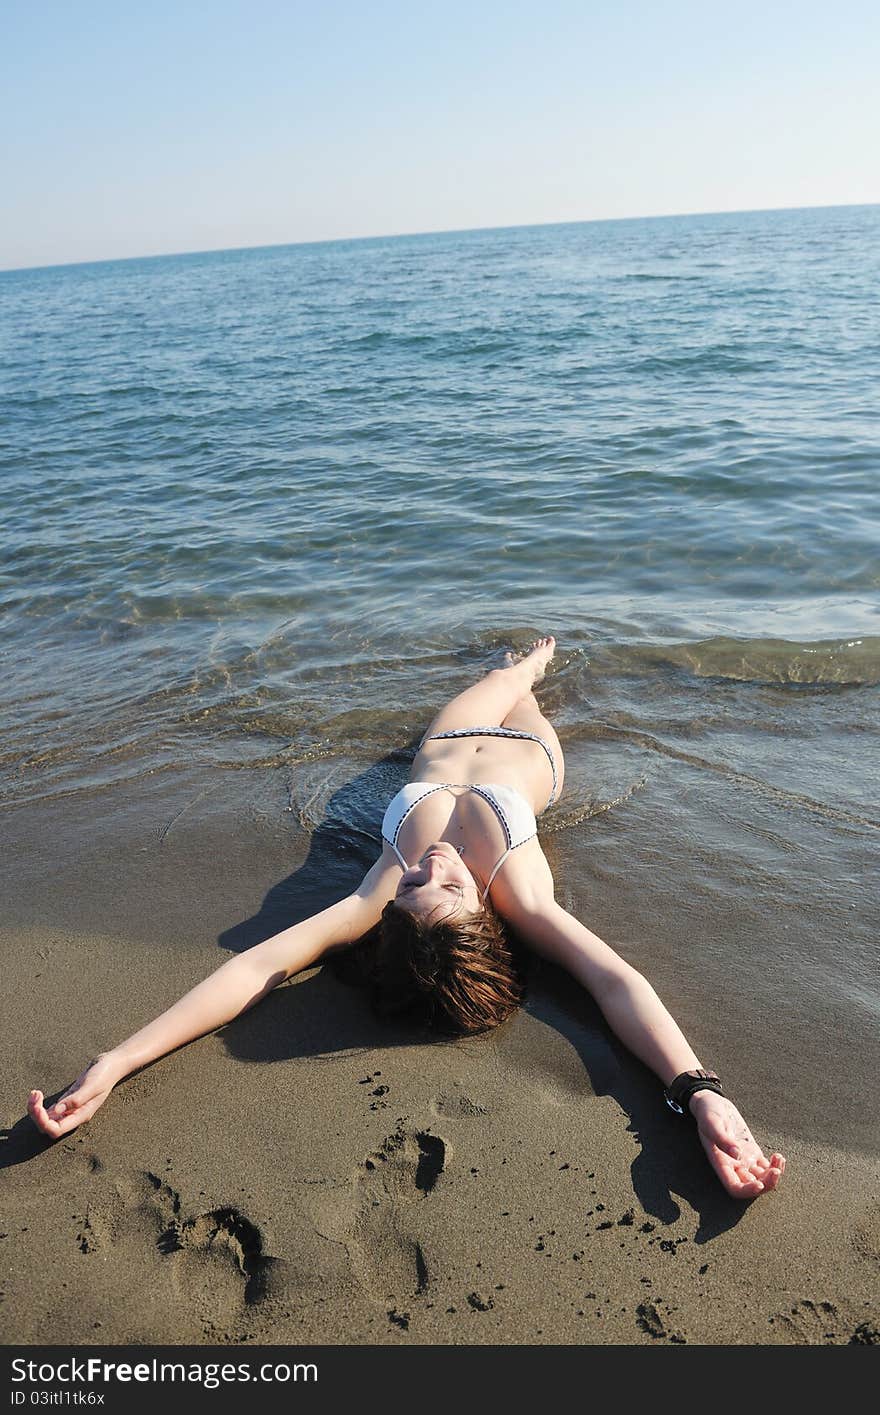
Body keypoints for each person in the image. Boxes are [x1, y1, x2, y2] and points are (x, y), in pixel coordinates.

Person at [28, 637, 785, 1200]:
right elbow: (617, 981)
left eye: (415, 880)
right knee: (529, 673)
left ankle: (518, 657)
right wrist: (698, 1089)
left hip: (444, 741)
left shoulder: (380, 894)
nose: (433, 865)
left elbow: (255, 965)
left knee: (501, 667)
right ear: (482, 918)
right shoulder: (520, 894)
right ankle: (539, 660)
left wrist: (117, 1061)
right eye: (442, 884)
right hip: (526, 750)